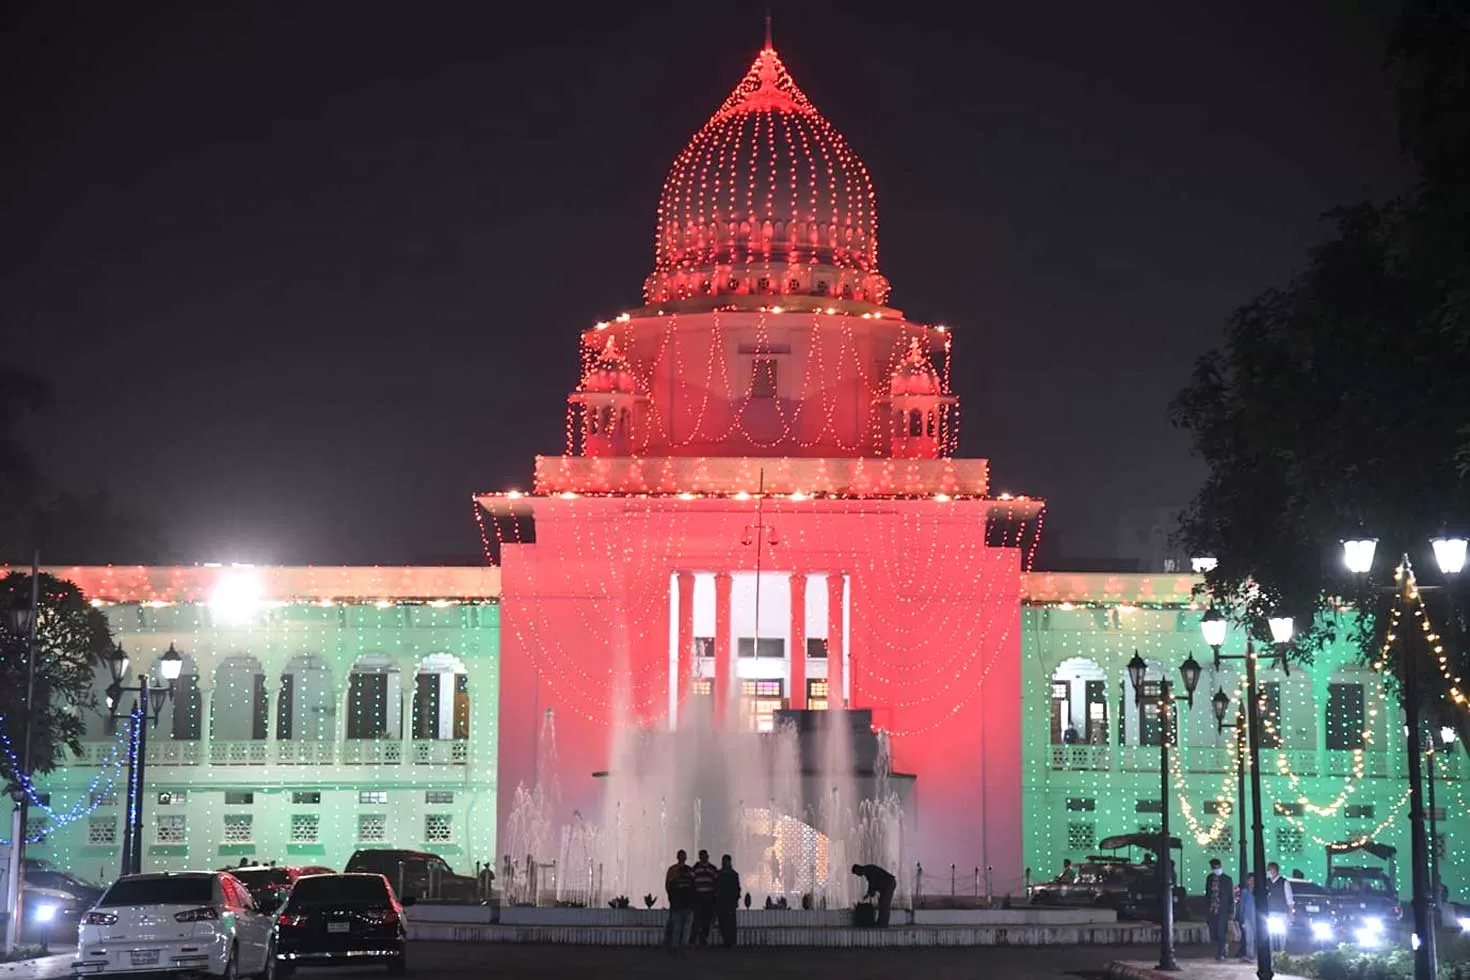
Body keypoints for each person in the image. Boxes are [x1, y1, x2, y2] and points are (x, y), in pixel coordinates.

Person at [663, 850, 695, 951]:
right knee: (682, 926)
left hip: (679, 904)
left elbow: (669, 886)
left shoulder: (675, 874)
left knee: (677, 925)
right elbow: (668, 886)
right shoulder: (675, 871)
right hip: (681, 904)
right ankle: (679, 944)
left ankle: (675, 944)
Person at [1204, 858, 1235, 961]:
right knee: (1214, 931)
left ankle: (1221, 952)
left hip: (1223, 910)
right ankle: (1222, 947)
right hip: (1212, 909)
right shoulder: (1210, 878)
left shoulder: (1227, 879)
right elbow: (1208, 894)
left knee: (1221, 931)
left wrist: (1231, 910)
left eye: (1217, 867)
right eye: (1213, 868)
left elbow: (1230, 895)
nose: (1215, 869)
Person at [690, 849, 718, 945]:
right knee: (697, 918)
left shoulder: (712, 868)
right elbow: (691, 881)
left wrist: (714, 895)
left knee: (706, 919)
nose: (704, 857)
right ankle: (693, 939)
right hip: (698, 896)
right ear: (700, 857)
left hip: (709, 897)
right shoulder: (695, 868)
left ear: (707, 856)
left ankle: (703, 938)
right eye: (702, 856)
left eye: (705, 856)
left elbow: (716, 882)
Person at [1265, 862, 1294, 952]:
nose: (1268, 872)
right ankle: (1272, 952)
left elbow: (1289, 899)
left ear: (1275, 870)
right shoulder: (1267, 882)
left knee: (1281, 935)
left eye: (1269, 870)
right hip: (1270, 912)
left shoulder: (1284, 882)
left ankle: (1281, 952)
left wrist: (1290, 914)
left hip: (1281, 913)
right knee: (1271, 935)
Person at [715, 854, 741, 948]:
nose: (724, 863)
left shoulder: (732, 874)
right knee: (724, 921)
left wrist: (736, 898)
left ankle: (731, 941)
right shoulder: (721, 874)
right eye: (724, 861)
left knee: (729, 922)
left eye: (726, 861)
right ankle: (727, 941)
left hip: (728, 901)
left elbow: (737, 888)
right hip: (723, 901)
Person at [1236, 873, 1257, 961]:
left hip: (1257, 918)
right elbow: (1242, 906)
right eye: (1250, 880)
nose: (1251, 882)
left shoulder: (1258, 891)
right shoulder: (1245, 892)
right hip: (1247, 918)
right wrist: (1241, 919)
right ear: (1247, 881)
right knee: (1249, 937)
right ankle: (1249, 955)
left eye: (1253, 880)